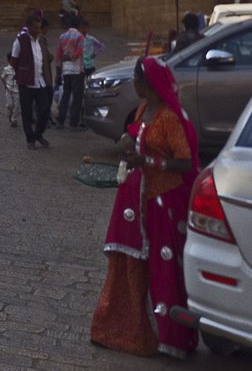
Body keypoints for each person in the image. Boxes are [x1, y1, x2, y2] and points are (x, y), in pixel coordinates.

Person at [89, 56, 200, 358]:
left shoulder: (169, 118)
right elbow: (139, 138)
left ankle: (170, 338)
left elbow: (185, 162)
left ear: (146, 83)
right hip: (137, 199)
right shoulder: (142, 110)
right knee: (132, 263)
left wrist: (148, 161)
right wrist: (129, 142)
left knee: (163, 266)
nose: (133, 85)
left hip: (164, 199)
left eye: (136, 80)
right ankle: (130, 330)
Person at [8, 12, 51, 149]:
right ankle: (30, 139)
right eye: (35, 28)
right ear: (29, 27)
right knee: (27, 113)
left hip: (40, 81)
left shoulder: (41, 40)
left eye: (39, 27)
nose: (37, 30)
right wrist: (22, 73)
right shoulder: (20, 41)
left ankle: (38, 134)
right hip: (26, 82)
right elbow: (14, 60)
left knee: (45, 110)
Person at [54, 13, 85, 129]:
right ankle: (73, 122)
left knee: (65, 95)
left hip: (65, 70)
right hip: (77, 70)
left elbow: (58, 55)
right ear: (79, 24)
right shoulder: (80, 36)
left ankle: (60, 120)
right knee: (77, 97)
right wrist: (71, 57)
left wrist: (58, 72)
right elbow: (79, 52)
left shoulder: (62, 37)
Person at [0, 60, 19, 127]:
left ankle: (14, 119)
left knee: (16, 106)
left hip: (17, 90)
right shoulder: (6, 69)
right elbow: (2, 77)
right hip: (9, 89)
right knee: (10, 104)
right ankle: (10, 112)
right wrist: (5, 85)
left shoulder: (19, 68)